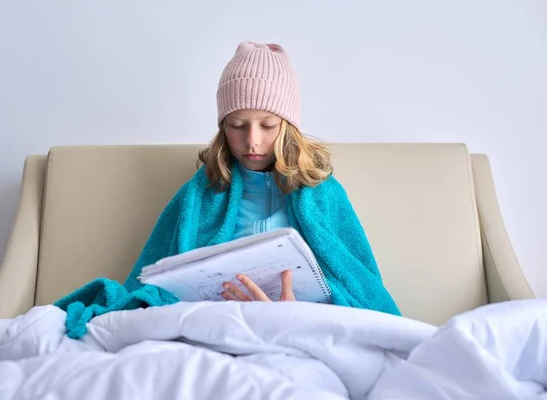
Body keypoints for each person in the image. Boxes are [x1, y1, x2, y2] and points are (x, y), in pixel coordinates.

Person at [122, 41, 401, 315]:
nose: (252, 141)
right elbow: (152, 286)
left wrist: (295, 313)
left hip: (302, 327)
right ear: (223, 128)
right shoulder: (200, 193)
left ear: (289, 127)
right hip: (217, 326)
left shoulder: (323, 193)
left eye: (268, 125)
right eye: (237, 125)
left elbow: (360, 290)